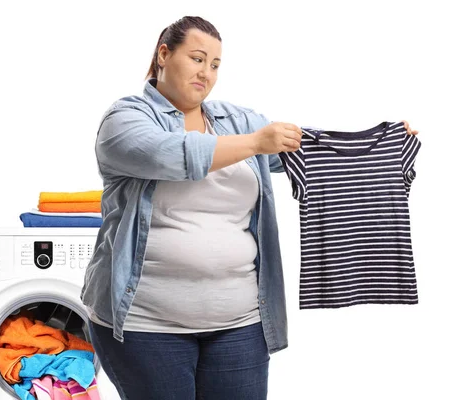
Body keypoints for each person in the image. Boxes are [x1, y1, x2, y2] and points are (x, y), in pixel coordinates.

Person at [80, 16, 418, 400]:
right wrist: (258, 143)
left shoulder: (236, 121)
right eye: (196, 58)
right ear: (163, 54)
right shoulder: (125, 120)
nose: (205, 72)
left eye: (215, 65)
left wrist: (384, 143)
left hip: (240, 325)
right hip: (146, 329)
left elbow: (310, 151)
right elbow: (176, 155)